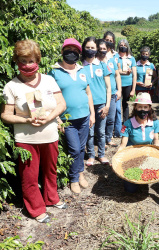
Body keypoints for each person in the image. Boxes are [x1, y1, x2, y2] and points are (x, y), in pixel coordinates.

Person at [1, 39, 67, 223]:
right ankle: (36, 209)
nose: (28, 65)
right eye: (23, 61)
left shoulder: (49, 80)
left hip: (50, 133)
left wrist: (50, 116)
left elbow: (62, 103)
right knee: (29, 176)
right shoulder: (11, 86)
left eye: (31, 60)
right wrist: (26, 119)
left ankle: (52, 198)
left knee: (50, 170)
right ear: (17, 62)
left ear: (37, 60)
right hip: (26, 138)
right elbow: (6, 115)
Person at [48, 38, 95, 194]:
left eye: (75, 51)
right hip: (67, 119)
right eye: (68, 50)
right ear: (62, 52)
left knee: (82, 147)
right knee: (74, 149)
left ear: (79, 54)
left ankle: (81, 173)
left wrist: (92, 113)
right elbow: (49, 98)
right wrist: (57, 119)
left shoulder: (82, 70)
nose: (71, 53)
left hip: (84, 116)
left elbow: (88, 93)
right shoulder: (54, 72)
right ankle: (74, 178)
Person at [118, 92, 159, 192]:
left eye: (145, 107)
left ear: (149, 108)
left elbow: (156, 142)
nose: (142, 110)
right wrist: (117, 157)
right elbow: (123, 145)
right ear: (135, 108)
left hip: (147, 156)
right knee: (130, 190)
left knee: (146, 178)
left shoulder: (154, 122)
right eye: (140, 107)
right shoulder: (128, 124)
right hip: (131, 156)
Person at [81, 37, 112, 166]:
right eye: (87, 47)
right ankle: (91, 156)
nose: (90, 50)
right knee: (90, 131)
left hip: (101, 104)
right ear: (83, 48)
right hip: (87, 104)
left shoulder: (102, 65)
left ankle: (101, 155)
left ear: (96, 49)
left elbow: (109, 87)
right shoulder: (80, 66)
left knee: (101, 130)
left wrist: (107, 105)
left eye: (93, 48)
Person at [103, 31, 122, 138]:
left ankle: (108, 137)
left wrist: (119, 90)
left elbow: (117, 75)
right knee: (103, 117)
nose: (108, 42)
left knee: (111, 117)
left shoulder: (113, 57)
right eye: (106, 40)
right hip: (103, 91)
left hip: (113, 91)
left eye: (110, 41)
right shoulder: (99, 55)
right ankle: (101, 138)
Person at [117, 39, 137, 123]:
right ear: (118, 46)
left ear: (127, 47)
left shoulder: (131, 58)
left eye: (125, 45)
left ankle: (125, 123)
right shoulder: (116, 57)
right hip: (117, 84)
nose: (123, 47)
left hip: (128, 84)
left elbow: (134, 75)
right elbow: (117, 70)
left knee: (125, 104)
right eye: (121, 45)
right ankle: (117, 124)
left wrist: (133, 90)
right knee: (117, 106)